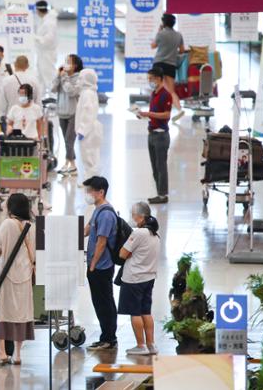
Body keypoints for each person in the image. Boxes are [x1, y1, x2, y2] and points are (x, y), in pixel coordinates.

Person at [0, 193, 35, 366]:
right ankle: (18, 355)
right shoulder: (31, 225)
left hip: (6, 275)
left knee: (1, 311)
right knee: (20, 314)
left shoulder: (8, 224)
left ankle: (2, 353)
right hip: (25, 274)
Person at [118, 202, 160, 356]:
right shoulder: (154, 234)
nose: (132, 217)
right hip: (149, 277)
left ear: (140, 216)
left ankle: (140, 345)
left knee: (134, 313)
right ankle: (151, 344)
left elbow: (122, 254)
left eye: (133, 214)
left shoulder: (139, 233)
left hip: (134, 278)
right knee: (146, 311)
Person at [83, 176, 118, 350]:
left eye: (90, 191)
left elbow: (101, 242)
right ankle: (106, 336)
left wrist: (93, 264)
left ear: (100, 192)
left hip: (101, 266)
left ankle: (109, 338)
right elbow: (87, 229)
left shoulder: (105, 214)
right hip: (96, 265)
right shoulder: (97, 210)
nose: (87, 194)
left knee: (104, 302)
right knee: (100, 302)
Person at [138, 67, 172, 204]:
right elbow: (154, 114)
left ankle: (163, 195)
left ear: (159, 79)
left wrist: (149, 114)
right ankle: (159, 192)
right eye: (148, 79)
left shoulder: (166, 95)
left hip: (161, 136)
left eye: (151, 78)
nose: (149, 81)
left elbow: (167, 115)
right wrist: (144, 116)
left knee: (161, 166)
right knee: (155, 166)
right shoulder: (154, 93)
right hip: (151, 133)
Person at [51, 54, 83, 174]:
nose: (66, 64)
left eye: (69, 62)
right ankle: (72, 164)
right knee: (66, 140)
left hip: (73, 113)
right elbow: (53, 89)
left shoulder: (79, 78)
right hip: (61, 112)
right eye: (65, 61)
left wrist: (64, 78)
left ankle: (67, 163)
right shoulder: (62, 76)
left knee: (69, 140)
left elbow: (71, 92)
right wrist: (58, 76)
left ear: (75, 65)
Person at [151, 13, 185, 121]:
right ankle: (179, 109)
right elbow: (182, 50)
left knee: (158, 88)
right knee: (171, 90)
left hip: (159, 63)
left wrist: (159, 31)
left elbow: (153, 46)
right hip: (171, 65)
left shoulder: (161, 34)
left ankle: (158, 111)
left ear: (164, 23)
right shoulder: (178, 35)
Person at [75, 68, 103, 182]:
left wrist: (82, 130)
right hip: (89, 129)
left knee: (89, 155)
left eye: (81, 78)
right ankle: (90, 178)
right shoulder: (88, 92)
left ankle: (92, 179)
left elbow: (88, 112)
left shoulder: (87, 93)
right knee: (90, 155)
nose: (79, 81)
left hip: (88, 130)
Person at [34, 0, 58, 91]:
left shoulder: (49, 22)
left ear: (38, 10)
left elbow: (49, 39)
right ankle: (41, 97)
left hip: (47, 54)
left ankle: (54, 97)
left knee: (49, 75)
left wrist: (36, 38)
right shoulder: (46, 20)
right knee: (40, 76)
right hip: (42, 53)